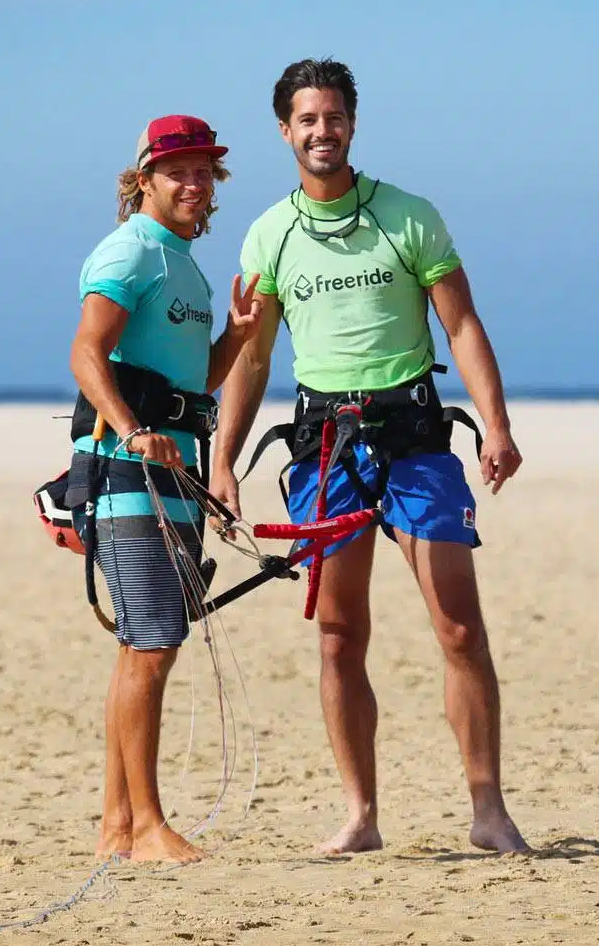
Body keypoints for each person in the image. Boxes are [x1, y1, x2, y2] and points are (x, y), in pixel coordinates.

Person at [210, 60, 530, 855]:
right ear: (285, 131)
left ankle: (488, 810)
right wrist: (225, 460)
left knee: (458, 628)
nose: (323, 131)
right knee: (338, 636)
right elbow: (251, 359)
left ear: (353, 122)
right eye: (307, 120)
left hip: (416, 440)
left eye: (335, 117)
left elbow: (461, 326)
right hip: (325, 447)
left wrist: (495, 425)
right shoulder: (268, 234)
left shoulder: (408, 216)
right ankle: (361, 815)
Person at [68, 114, 262, 863]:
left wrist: (238, 338)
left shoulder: (185, 264)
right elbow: (87, 351)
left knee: (145, 648)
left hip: (175, 475)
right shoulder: (132, 250)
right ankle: (146, 825)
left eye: (205, 171)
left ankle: (117, 827)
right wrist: (125, 428)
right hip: (128, 477)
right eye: (177, 170)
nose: (193, 183)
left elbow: (194, 384)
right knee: (151, 642)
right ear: (144, 178)